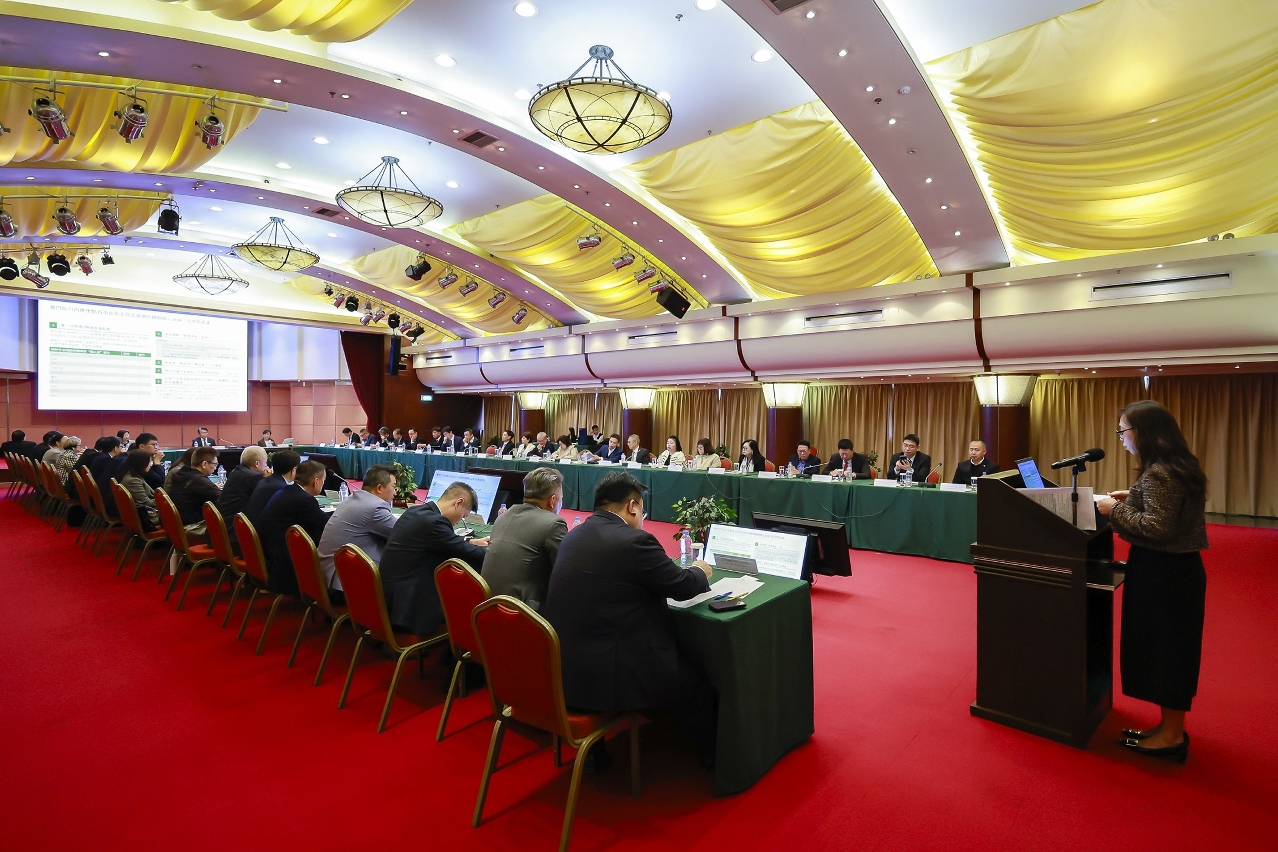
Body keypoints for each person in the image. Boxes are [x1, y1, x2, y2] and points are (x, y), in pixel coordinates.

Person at [543, 471, 716, 766]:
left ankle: (598, 752)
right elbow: (682, 586)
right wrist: (700, 570)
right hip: (608, 674)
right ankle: (712, 760)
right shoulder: (634, 541)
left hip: (564, 668)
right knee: (700, 684)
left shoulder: (574, 535)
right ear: (633, 506)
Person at [1097, 401, 1208, 763]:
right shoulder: (1177, 465)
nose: (1121, 437)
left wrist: (1115, 510)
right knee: (1165, 650)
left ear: (1145, 432)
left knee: (1167, 652)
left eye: (1123, 430)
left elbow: (1157, 528)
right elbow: (1168, 513)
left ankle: (1172, 736)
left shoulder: (1161, 472)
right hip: (1173, 571)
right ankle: (1167, 728)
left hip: (1166, 574)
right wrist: (1133, 498)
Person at [380, 481, 489, 635]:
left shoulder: (415, 512)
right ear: (458, 503)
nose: (459, 522)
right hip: (408, 608)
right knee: (466, 588)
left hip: (389, 598)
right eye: (463, 516)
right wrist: (496, 552)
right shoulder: (435, 523)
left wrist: (469, 541)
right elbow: (470, 554)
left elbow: (442, 541)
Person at [482, 467, 568, 611]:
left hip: (488, 607)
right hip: (522, 612)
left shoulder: (503, 516)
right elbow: (566, 571)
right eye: (561, 498)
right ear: (553, 500)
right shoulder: (553, 523)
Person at [317, 465, 398, 593]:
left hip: (327, 575)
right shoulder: (375, 507)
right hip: (343, 586)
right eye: (393, 487)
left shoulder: (353, 499)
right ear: (379, 488)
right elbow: (403, 535)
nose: (395, 493)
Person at [256, 460, 332, 595]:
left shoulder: (287, 490)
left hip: (269, 547)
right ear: (316, 482)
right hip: (281, 557)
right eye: (323, 480)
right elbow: (327, 524)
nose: (323, 483)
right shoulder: (304, 499)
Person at [243, 449, 301, 527]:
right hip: (264, 532)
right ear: (294, 470)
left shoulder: (265, 481)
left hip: (254, 528)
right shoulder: (283, 489)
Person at [168, 446, 221, 528]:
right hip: (193, 526)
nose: (215, 468)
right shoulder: (198, 479)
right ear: (204, 464)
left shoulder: (181, 474)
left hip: (179, 523)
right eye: (215, 464)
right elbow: (223, 498)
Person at [218, 446, 269, 521]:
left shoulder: (235, 471)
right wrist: (267, 479)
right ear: (257, 463)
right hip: (237, 523)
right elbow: (265, 500)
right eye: (265, 462)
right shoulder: (253, 476)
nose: (266, 466)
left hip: (225, 519)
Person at [120, 449, 160, 530]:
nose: (150, 465)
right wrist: (162, 500)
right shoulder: (133, 480)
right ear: (141, 464)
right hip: (147, 517)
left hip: (143, 512)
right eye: (149, 462)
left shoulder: (134, 476)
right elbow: (146, 503)